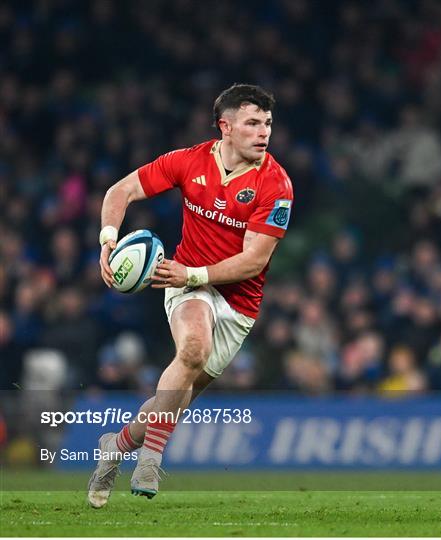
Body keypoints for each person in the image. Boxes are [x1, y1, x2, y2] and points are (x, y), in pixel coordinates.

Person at [88, 84, 294, 507]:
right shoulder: (189, 161)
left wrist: (194, 272)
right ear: (226, 126)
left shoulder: (276, 185)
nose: (264, 132)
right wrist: (108, 240)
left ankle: (115, 447)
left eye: (268, 124)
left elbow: (253, 261)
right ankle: (152, 458)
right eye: (253, 123)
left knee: (175, 399)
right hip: (185, 283)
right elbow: (119, 192)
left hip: (237, 303)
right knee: (193, 349)